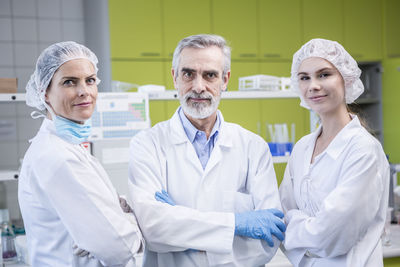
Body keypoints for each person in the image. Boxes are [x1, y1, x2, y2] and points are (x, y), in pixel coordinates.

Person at [128, 34, 286, 267]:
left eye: (210, 75)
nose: (198, 87)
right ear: (175, 78)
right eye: (188, 74)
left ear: (225, 80)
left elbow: (269, 239)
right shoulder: (147, 145)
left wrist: (181, 225)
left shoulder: (253, 147)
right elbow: (154, 230)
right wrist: (235, 225)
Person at [18, 41, 144, 267]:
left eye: (90, 80)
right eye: (69, 82)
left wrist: (122, 216)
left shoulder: (68, 146)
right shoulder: (57, 156)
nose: (84, 91)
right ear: (44, 92)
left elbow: (108, 224)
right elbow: (118, 249)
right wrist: (135, 231)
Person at [279, 38, 390, 267]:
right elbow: (280, 215)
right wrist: (305, 224)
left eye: (324, 74)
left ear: (345, 79)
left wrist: (293, 221)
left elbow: (330, 237)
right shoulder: (302, 148)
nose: (313, 86)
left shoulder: (362, 150)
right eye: (304, 77)